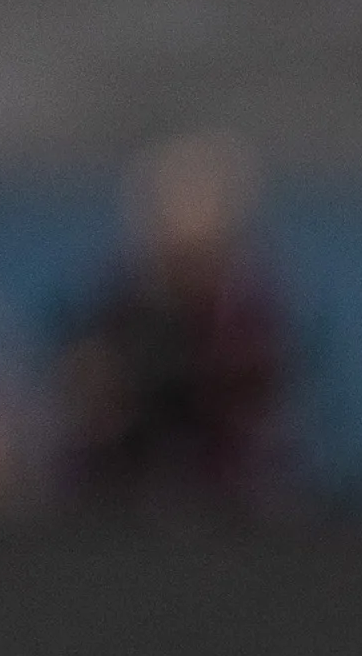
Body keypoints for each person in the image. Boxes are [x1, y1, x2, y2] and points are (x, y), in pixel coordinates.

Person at [60, 133, 290, 515]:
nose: (187, 263)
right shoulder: (119, 310)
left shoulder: (249, 319)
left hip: (230, 509)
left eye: (200, 250)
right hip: (122, 510)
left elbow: (249, 409)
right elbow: (91, 415)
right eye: (177, 247)